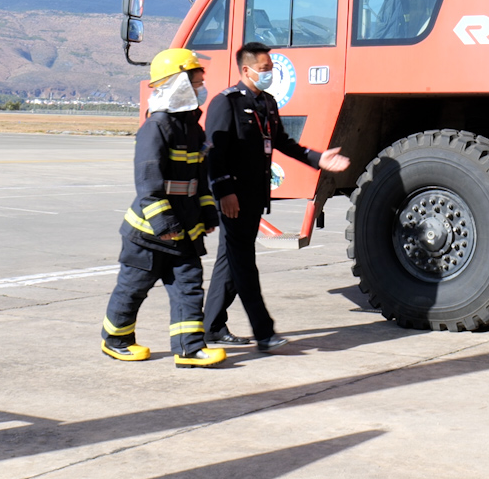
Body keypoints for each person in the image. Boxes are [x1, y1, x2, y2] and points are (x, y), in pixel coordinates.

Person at [203, 41, 351, 351]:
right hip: (233, 199)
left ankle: (212, 326)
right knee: (243, 264)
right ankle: (264, 332)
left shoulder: (267, 103)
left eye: (271, 68)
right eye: (265, 69)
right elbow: (214, 154)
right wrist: (224, 192)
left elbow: (283, 142)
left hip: (255, 196)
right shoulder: (226, 102)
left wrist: (318, 158)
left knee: (229, 262)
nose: (270, 73)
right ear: (246, 70)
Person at [101, 48, 226, 368]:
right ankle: (116, 340)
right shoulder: (155, 128)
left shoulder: (191, 128)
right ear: (178, 82)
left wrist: (208, 213)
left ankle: (190, 348)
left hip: (182, 232)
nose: (202, 84)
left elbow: (199, 180)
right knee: (132, 288)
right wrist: (167, 226)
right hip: (148, 234)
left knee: (189, 287)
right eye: (197, 78)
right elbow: (147, 186)